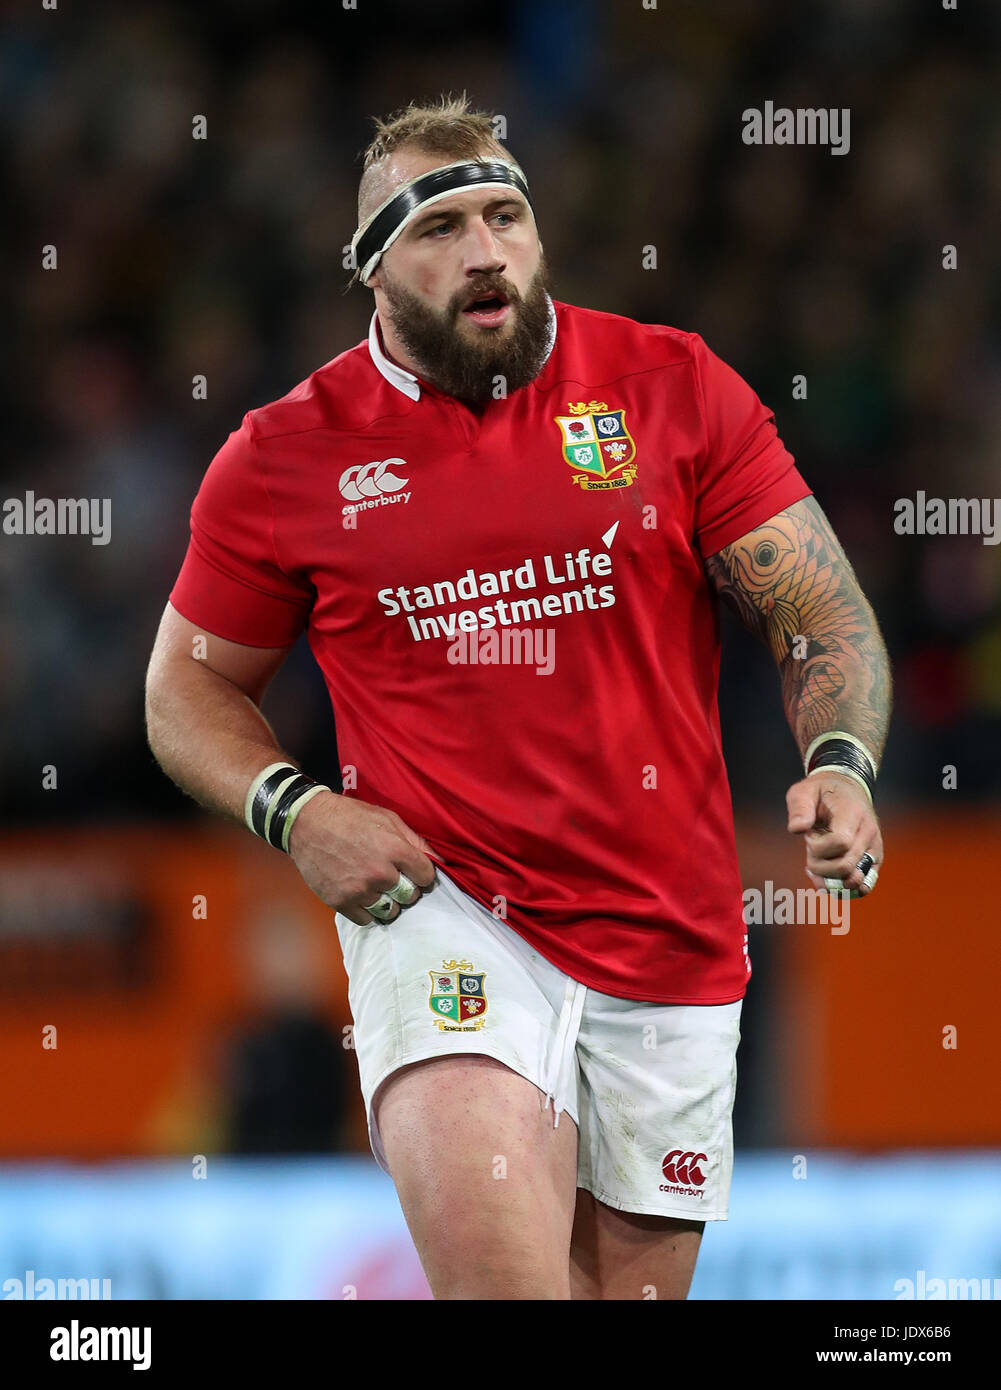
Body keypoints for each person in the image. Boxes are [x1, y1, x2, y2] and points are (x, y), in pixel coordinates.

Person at [145, 94, 891, 1300]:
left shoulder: (670, 386)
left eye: (505, 216)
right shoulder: (287, 455)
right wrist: (296, 808)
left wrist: (843, 761)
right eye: (440, 228)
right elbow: (184, 684)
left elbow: (818, 610)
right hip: (445, 909)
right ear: (373, 270)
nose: (484, 250)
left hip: (666, 928)